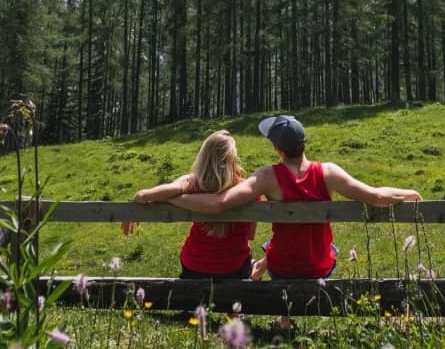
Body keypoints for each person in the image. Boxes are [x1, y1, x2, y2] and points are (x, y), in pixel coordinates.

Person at [167, 114, 423, 281]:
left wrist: (173, 198)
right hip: (320, 266)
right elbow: (376, 196)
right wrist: (409, 193)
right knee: (327, 247)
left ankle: (281, 311)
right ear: (304, 143)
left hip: (283, 268)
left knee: (277, 248)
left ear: (277, 149)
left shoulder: (268, 177)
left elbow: (220, 203)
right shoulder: (328, 172)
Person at [121, 130, 257, 279]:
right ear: (233, 159)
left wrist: (139, 204)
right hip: (233, 267)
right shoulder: (245, 189)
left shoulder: (191, 183)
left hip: (194, 264)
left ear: (203, 157)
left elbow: (144, 195)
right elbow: (250, 235)